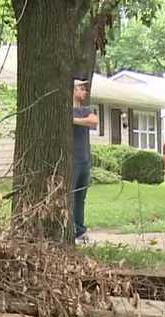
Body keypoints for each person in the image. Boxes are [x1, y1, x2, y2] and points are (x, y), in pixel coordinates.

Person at [71, 78, 98, 243]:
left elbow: (93, 121)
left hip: (84, 159)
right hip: (72, 160)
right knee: (71, 196)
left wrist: (74, 121)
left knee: (81, 197)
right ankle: (71, 230)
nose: (84, 91)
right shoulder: (66, 110)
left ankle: (80, 231)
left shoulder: (85, 109)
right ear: (73, 90)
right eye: (81, 88)